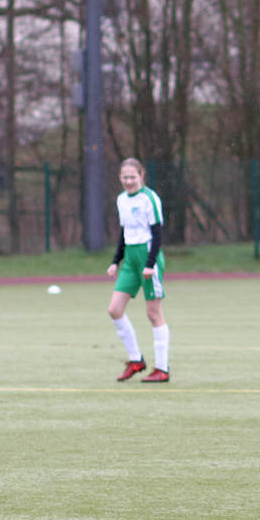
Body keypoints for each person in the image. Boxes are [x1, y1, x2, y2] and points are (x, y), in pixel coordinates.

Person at [106, 158, 170, 383]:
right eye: (125, 177)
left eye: (133, 177)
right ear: (119, 178)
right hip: (130, 259)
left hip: (147, 256)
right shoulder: (121, 199)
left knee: (153, 313)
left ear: (142, 175)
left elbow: (158, 232)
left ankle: (162, 368)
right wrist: (116, 261)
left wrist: (150, 264)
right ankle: (136, 360)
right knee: (114, 309)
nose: (129, 181)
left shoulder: (150, 199)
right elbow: (124, 233)